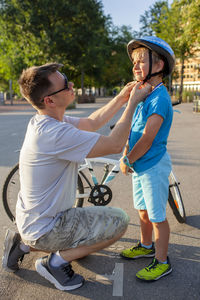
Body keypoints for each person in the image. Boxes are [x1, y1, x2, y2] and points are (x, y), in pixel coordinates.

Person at [2, 62, 151, 291]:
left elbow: (92, 123)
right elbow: (115, 144)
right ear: (49, 100)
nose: (71, 84)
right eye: (64, 85)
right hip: (47, 226)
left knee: (91, 225)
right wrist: (132, 104)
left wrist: (121, 98)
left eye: (67, 78)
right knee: (119, 221)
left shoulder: (47, 119)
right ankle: (55, 263)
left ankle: (21, 245)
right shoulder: (55, 133)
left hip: (33, 220)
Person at [120, 36, 175, 282]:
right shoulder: (145, 94)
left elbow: (148, 138)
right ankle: (145, 245)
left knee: (157, 217)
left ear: (159, 65)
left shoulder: (160, 98)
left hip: (152, 165)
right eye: (134, 62)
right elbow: (134, 129)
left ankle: (162, 262)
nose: (135, 66)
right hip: (140, 165)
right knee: (142, 211)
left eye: (141, 60)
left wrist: (128, 159)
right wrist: (126, 152)